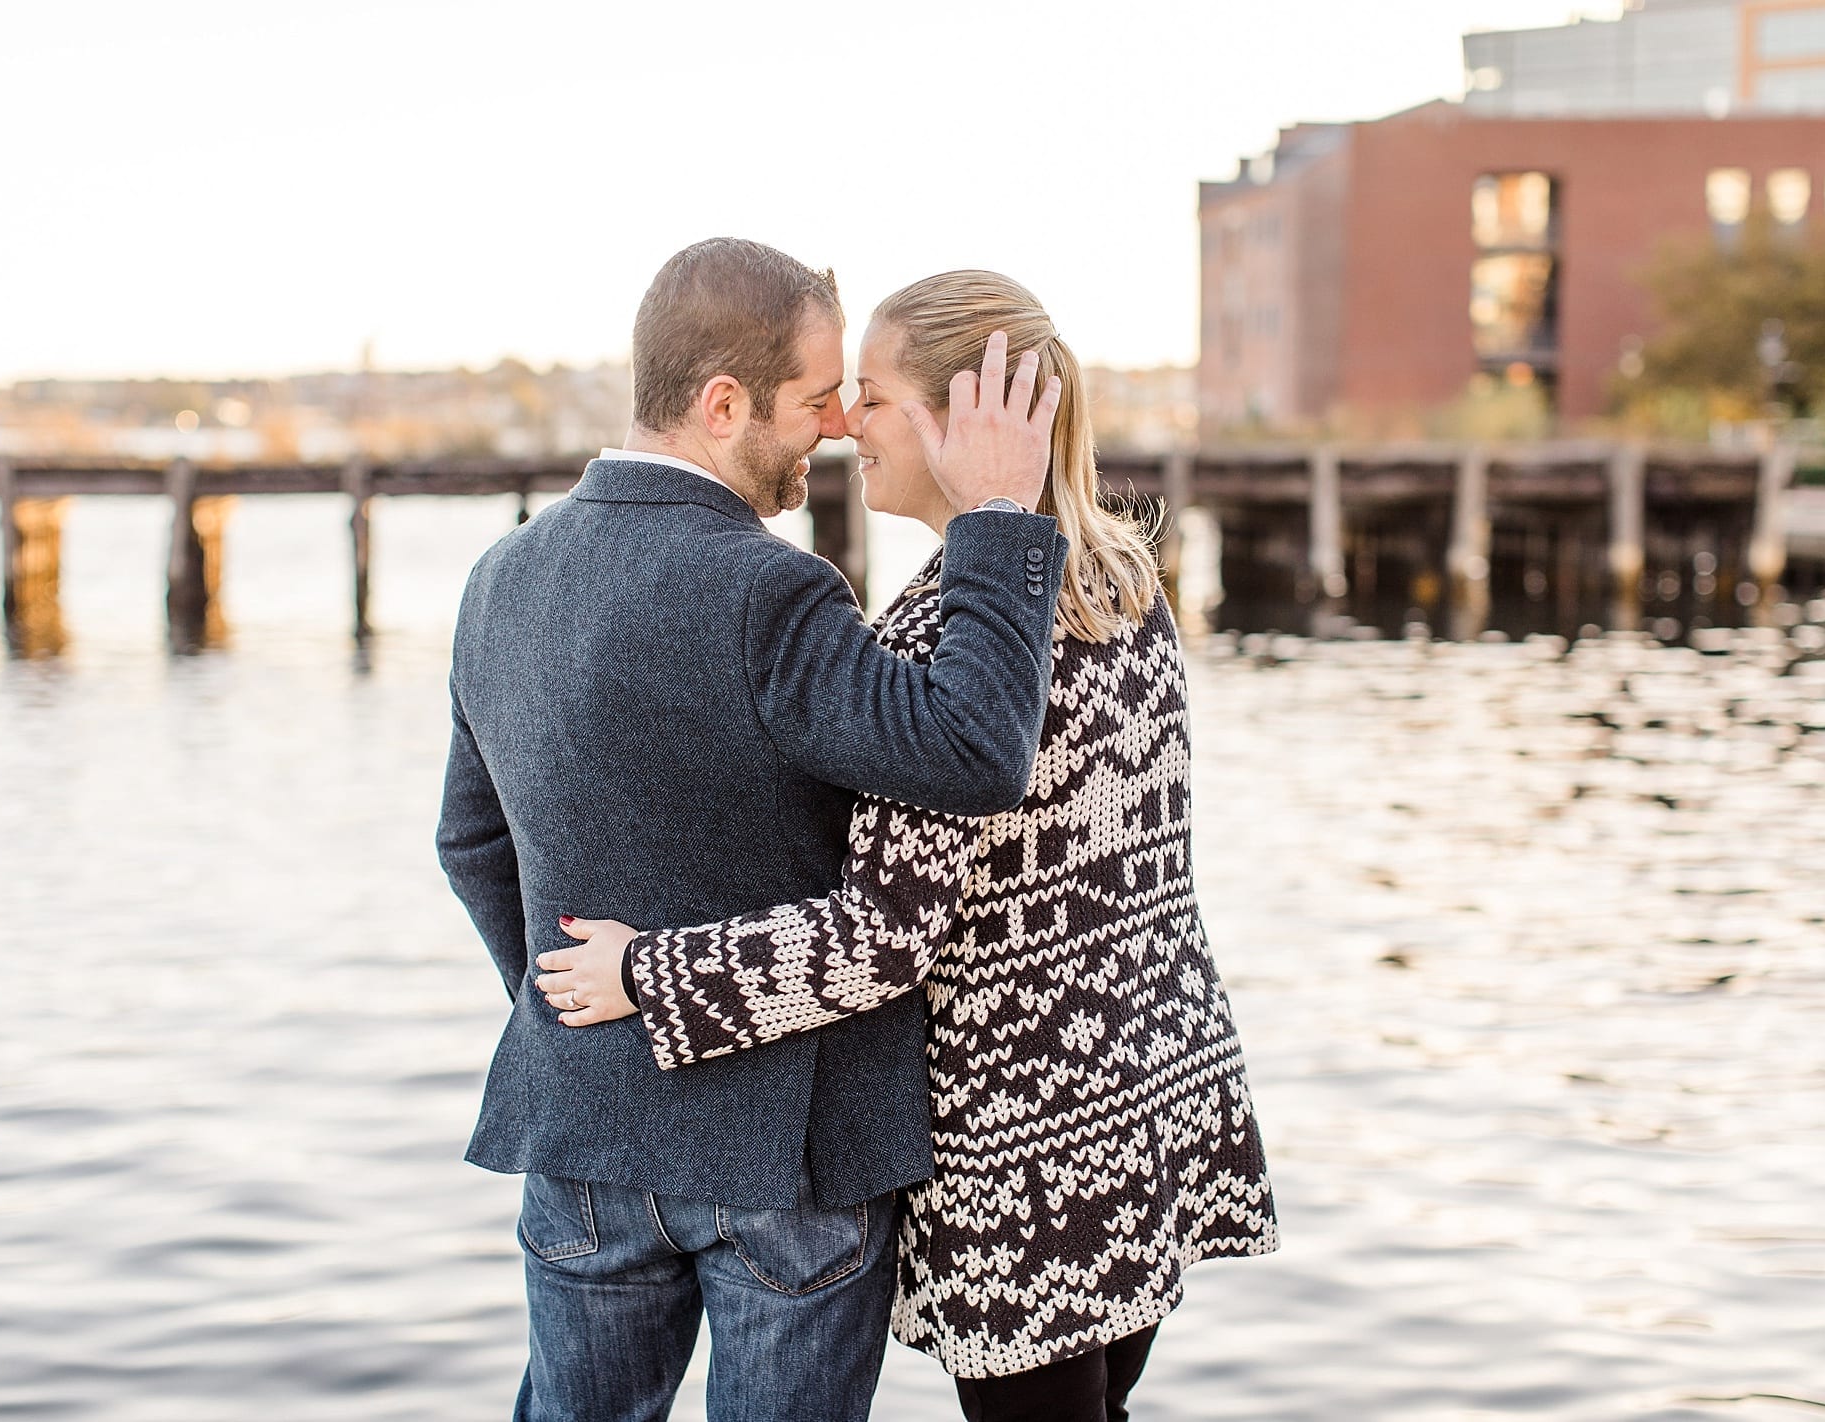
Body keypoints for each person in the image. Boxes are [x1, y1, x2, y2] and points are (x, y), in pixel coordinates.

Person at [537, 270, 1278, 1422]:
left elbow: (881, 940)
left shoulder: (952, 632)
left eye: (870, 398)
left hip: (1029, 1151)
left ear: (965, 420)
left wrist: (644, 973)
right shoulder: (1122, 582)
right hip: (1152, 1095)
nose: (842, 425)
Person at [436, 238, 1070, 1422]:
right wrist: (995, 520)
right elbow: (974, 753)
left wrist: (575, 1010)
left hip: (580, 1131)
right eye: (812, 398)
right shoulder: (772, 590)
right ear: (722, 404)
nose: (834, 425)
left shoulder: (496, 580)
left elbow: (470, 845)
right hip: (791, 1154)